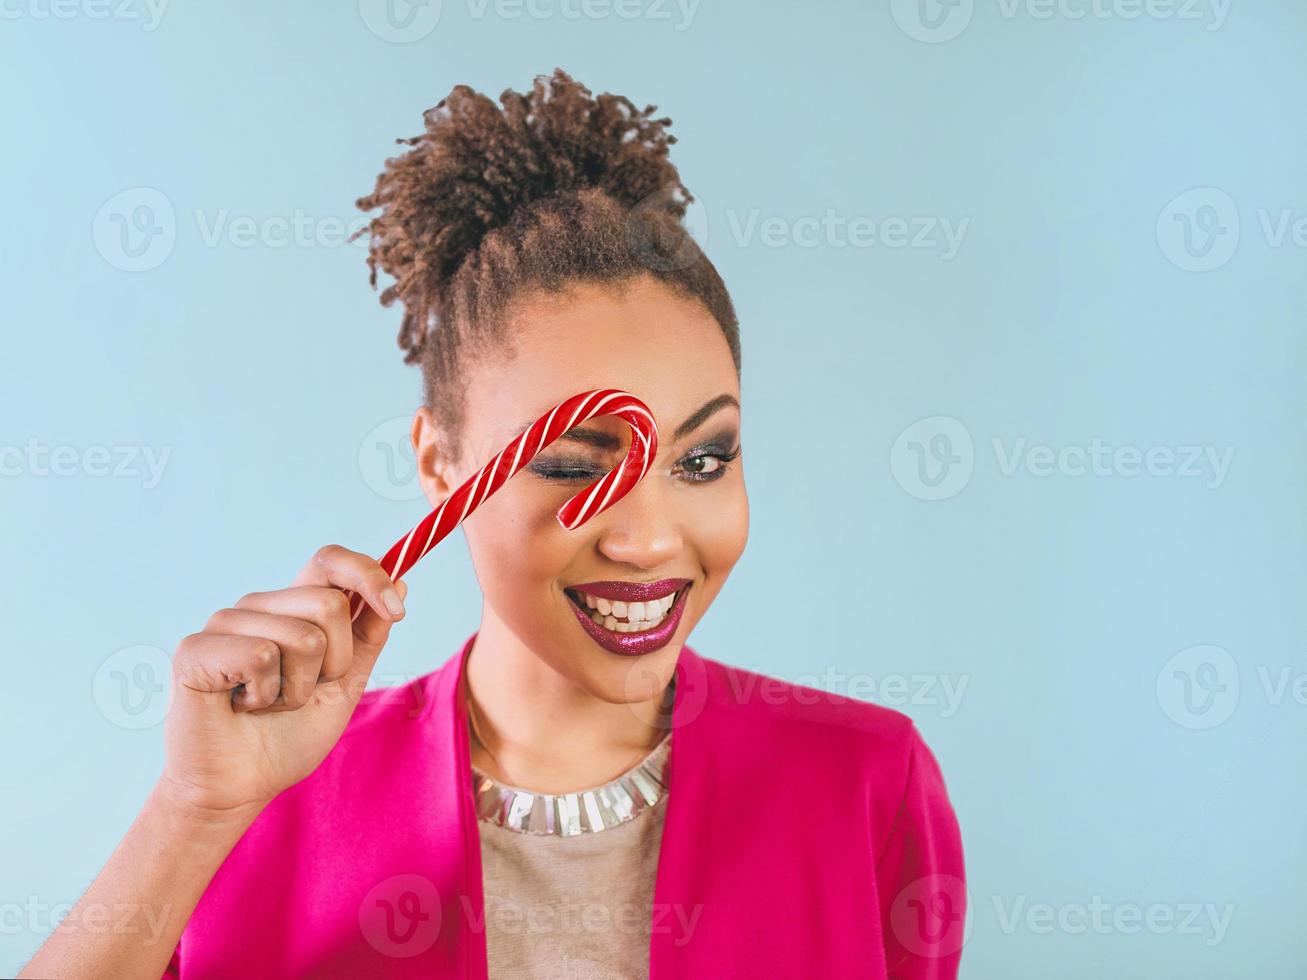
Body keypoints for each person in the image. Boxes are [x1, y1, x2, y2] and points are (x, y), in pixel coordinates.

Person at [21, 68, 966, 979]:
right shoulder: (262, 800)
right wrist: (193, 811)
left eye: (701, 460)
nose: (646, 539)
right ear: (440, 463)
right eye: (567, 466)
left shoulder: (867, 787)